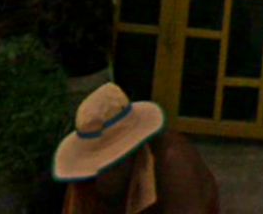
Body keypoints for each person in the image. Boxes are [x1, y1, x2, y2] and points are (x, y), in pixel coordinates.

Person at [52, 82, 219, 213]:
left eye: (111, 165)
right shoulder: (83, 183)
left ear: (130, 153)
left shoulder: (174, 165)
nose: (104, 177)